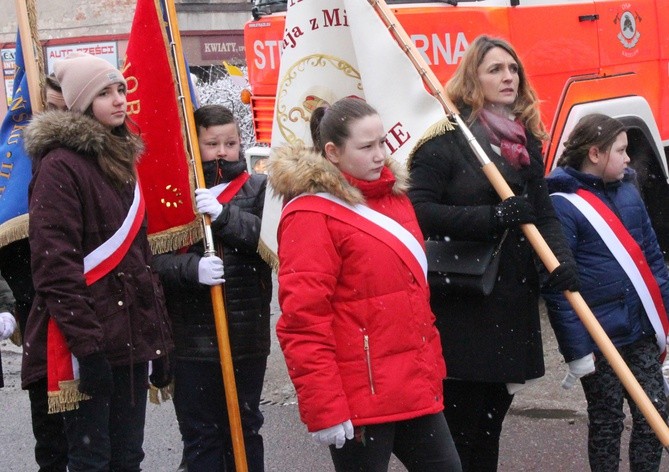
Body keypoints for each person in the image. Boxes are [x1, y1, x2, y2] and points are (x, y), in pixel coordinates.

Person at [407, 35, 579, 471]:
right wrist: (491, 216)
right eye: (495, 70)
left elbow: (542, 213)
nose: (508, 77)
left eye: (512, 69)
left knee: (491, 426)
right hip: (463, 301)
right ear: (472, 79)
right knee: (462, 426)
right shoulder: (444, 139)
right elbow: (418, 211)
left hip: (511, 301)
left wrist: (561, 264)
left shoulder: (523, 140)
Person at [269, 97, 462, 471]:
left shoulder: (395, 198)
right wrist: (325, 407)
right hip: (360, 397)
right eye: (366, 146)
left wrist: (431, 370)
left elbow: (414, 300)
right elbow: (303, 322)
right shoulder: (310, 215)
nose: (380, 155)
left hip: (413, 386)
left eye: (383, 143)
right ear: (332, 152)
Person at [23, 52, 174, 472]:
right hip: (83, 341)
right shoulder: (60, 166)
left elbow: (140, 260)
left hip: (129, 337)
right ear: (80, 103)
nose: (120, 99)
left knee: (128, 458)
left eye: (121, 89)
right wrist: (88, 351)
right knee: (91, 460)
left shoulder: (121, 160)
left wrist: (157, 339)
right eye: (105, 93)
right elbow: (56, 268)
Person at [543, 113, 669, 471]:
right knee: (607, 420)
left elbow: (651, 256)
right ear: (595, 154)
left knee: (655, 411)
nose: (629, 158)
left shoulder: (629, 189)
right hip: (599, 338)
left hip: (640, 329)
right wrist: (577, 349)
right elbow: (558, 289)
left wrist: (664, 313)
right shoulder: (561, 203)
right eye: (621, 150)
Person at [152, 104, 272, 472]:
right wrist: (192, 268)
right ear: (194, 144)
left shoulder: (258, 188)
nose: (222, 151)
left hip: (247, 336)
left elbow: (268, 243)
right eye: (211, 143)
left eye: (231, 142)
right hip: (192, 340)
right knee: (201, 434)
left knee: (245, 427)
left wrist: (224, 216)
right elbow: (152, 259)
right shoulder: (174, 193)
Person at [0, 72, 71, 471]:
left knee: (92, 437)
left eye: (65, 110)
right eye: (49, 110)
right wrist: (22, 300)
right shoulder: (14, 171)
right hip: (37, 312)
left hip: (89, 306)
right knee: (49, 431)